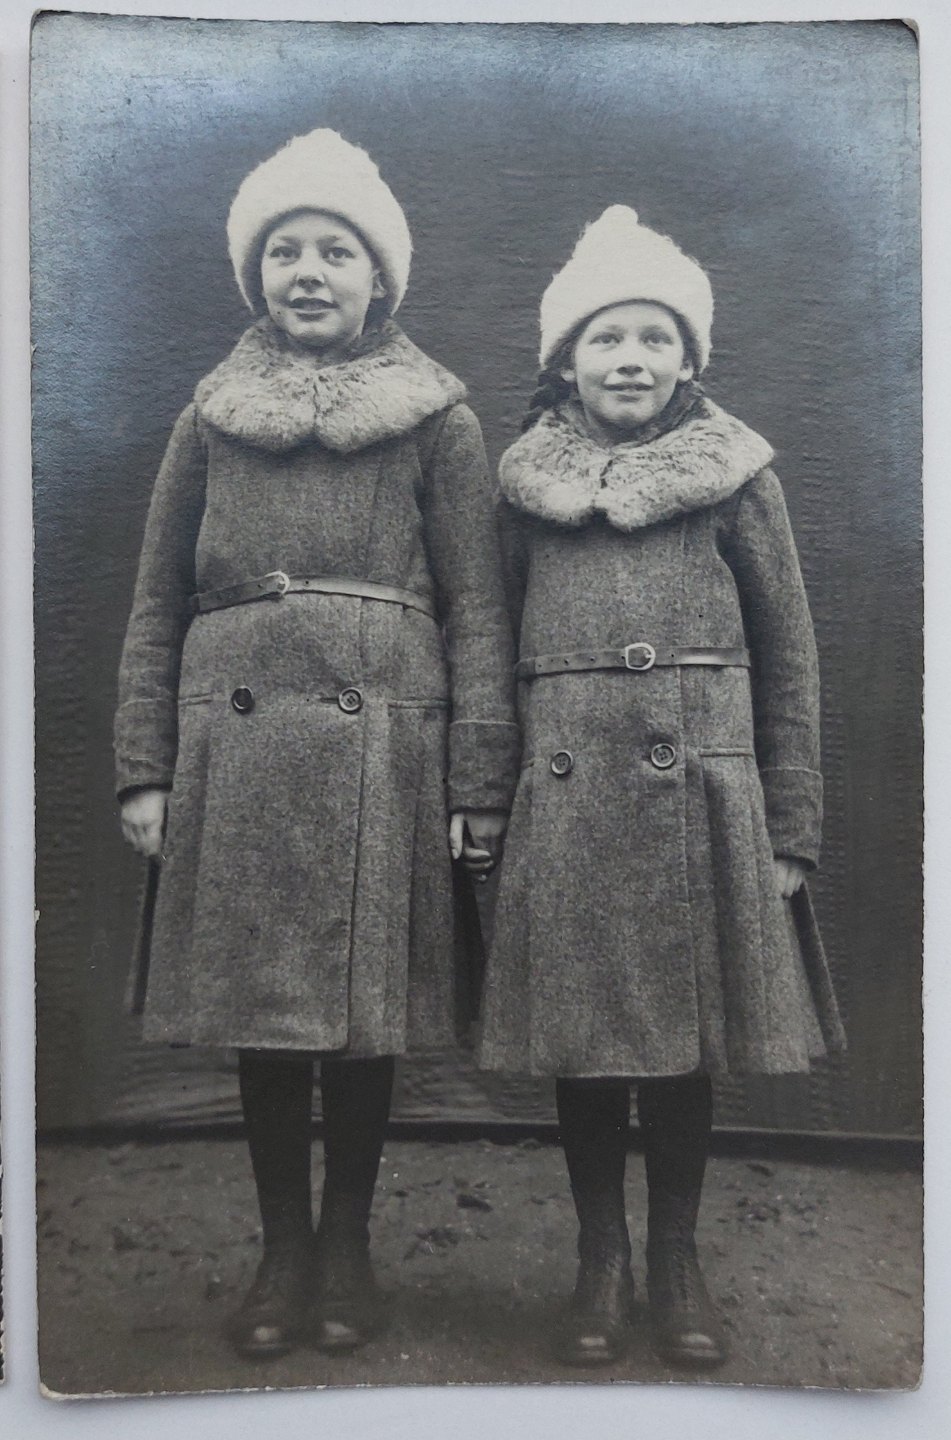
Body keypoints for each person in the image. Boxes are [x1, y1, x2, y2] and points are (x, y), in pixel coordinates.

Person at [116, 128, 518, 1361]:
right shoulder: (210, 416)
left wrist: (479, 775)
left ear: (378, 278)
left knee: (360, 1010)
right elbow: (155, 600)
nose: (308, 272)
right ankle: (280, 1249)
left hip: (382, 743)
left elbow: (479, 607)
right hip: (235, 750)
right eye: (285, 251)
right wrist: (146, 765)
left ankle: (346, 1245)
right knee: (265, 1012)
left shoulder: (438, 418)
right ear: (257, 276)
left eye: (335, 252)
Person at [479, 206, 845, 1370]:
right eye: (605, 338)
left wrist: (789, 824)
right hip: (568, 799)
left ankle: (677, 1261)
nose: (630, 358)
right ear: (565, 363)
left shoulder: (737, 479)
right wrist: (488, 789)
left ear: (690, 360)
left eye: (654, 337)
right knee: (585, 1040)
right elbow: (488, 645)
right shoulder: (523, 489)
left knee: (686, 1046)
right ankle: (601, 1258)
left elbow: (789, 657)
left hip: (700, 795)